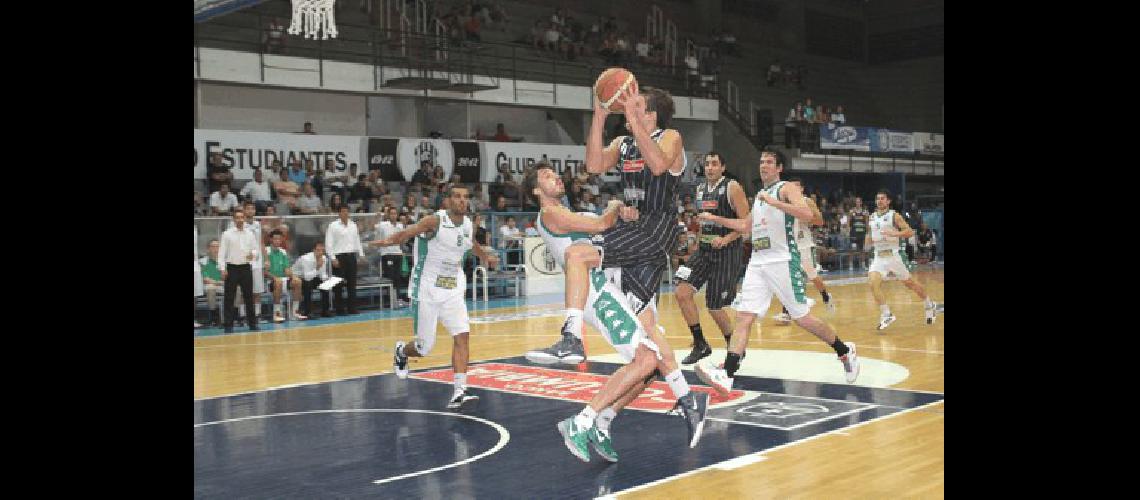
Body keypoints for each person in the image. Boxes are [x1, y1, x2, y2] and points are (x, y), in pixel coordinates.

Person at [521, 161, 709, 461]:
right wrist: (614, 205)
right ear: (535, 190)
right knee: (647, 359)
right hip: (596, 294)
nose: (556, 177)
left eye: (555, 174)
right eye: (546, 176)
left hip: (609, 287)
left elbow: (607, 228)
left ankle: (604, 421)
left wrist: (623, 213)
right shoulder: (550, 213)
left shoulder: (572, 213)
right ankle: (581, 421)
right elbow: (600, 225)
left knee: (650, 364)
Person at [695, 149, 860, 396]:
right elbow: (744, 226)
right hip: (759, 261)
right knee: (744, 317)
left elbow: (808, 214)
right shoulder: (760, 195)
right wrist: (714, 218)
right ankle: (727, 374)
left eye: (769, 162)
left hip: (782, 260)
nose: (764, 165)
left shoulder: (785, 188)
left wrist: (775, 203)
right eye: (761, 161)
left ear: (779, 167)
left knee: (802, 318)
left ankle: (844, 350)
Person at [371, 184, 501, 409]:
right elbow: (407, 233)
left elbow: (471, 244)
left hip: (453, 291)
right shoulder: (435, 221)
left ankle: (460, 390)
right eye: (457, 197)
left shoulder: (468, 224)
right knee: (424, 348)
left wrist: (485, 257)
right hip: (427, 290)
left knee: (462, 336)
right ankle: (402, 351)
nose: (462, 200)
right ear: (447, 201)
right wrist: (388, 242)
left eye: (465, 197)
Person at [674, 152, 749, 365]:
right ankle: (700, 344)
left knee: (714, 305)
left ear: (722, 168)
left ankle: (735, 349)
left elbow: (746, 223)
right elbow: (704, 223)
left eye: (714, 164)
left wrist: (726, 239)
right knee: (681, 291)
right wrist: (697, 244)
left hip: (727, 251)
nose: (710, 168)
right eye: (707, 164)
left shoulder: (732, 187)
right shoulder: (699, 189)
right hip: (704, 250)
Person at [865, 189, 940, 329]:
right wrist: (867, 244)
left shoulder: (894, 216)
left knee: (910, 284)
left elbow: (910, 231)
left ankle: (929, 304)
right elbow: (870, 233)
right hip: (878, 257)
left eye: (882, 198)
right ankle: (886, 314)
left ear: (888, 201)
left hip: (893, 256)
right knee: (872, 283)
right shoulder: (872, 217)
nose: (879, 201)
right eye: (877, 198)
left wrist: (894, 233)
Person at [219, 210, 261, 333]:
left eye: (242, 217)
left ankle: (252, 324)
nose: (240, 219)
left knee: (249, 297)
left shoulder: (250, 233)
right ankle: (228, 325)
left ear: (244, 218)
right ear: (233, 219)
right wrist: (222, 269)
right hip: (231, 268)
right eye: (237, 217)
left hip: (245, 268)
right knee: (229, 297)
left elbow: (256, 250)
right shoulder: (227, 234)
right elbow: (221, 253)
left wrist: (252, 255)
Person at [326, 205, 365, 315]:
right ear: (339, 213)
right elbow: (329, 243)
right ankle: (339, 309)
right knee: (338, 284)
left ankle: (352, 308)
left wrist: (361, 254)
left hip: (351, 256)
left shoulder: (353, 225)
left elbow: (357, 240)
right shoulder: (333, 226)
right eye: (343, 212)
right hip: (339, 256)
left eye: (347, 212)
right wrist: (333, 258)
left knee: (352, 284)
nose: (345, 214)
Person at [265, 229, 303, 322]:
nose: (278, 241)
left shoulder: (283, 252)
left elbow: (287, 269)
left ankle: (294, 312)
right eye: (275, 239)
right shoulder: (266, 251)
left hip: (283, 279)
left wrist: (293, 276)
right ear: (271, 240)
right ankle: (277, 313)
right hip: (269, 281)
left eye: (279, 239)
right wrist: (275, 278)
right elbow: (264, 271)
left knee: (297, 281)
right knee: (278, 282)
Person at [374, 207, 409, 306]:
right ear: (388, 215)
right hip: (387, 254)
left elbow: (403, 240)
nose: (393, 215)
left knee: (398, 278)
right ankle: (390, 300)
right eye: (391, 213)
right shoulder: (383, 225)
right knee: (390, 277)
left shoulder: (400, 226)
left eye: (395, 213)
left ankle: (397, 299)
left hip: (397, 254)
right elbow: (377, 236)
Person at [292, 241, 333, 319]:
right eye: (318, 250)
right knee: (308, 285)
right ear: (313, 250)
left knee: (326, 285)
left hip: (312, 276)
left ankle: (325, 311)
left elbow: (322, 274)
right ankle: (308, 312)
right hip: (298, 278)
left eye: (322, 250)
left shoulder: (324, 258)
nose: (320, 253)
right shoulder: (306, 259)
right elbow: (307, 277)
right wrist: (317, 267)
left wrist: (327, 280)